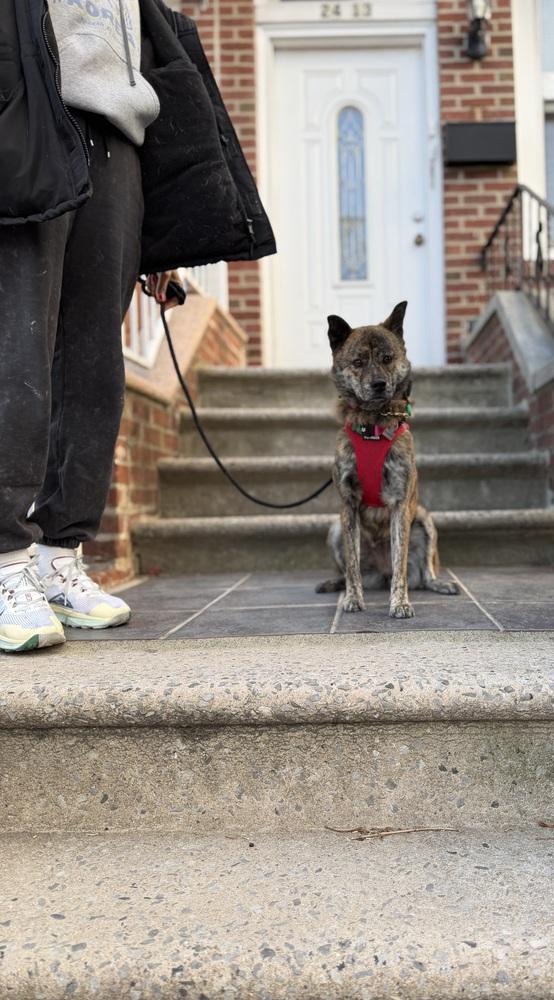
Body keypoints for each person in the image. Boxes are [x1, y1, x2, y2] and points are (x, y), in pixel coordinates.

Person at [0, 0, 275, 653]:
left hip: (119, 139)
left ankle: (58, 555)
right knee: (20, 352)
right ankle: (6, 560)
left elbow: (156, 67)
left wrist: (165, 238)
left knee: (96, 364)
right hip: (34, 116)